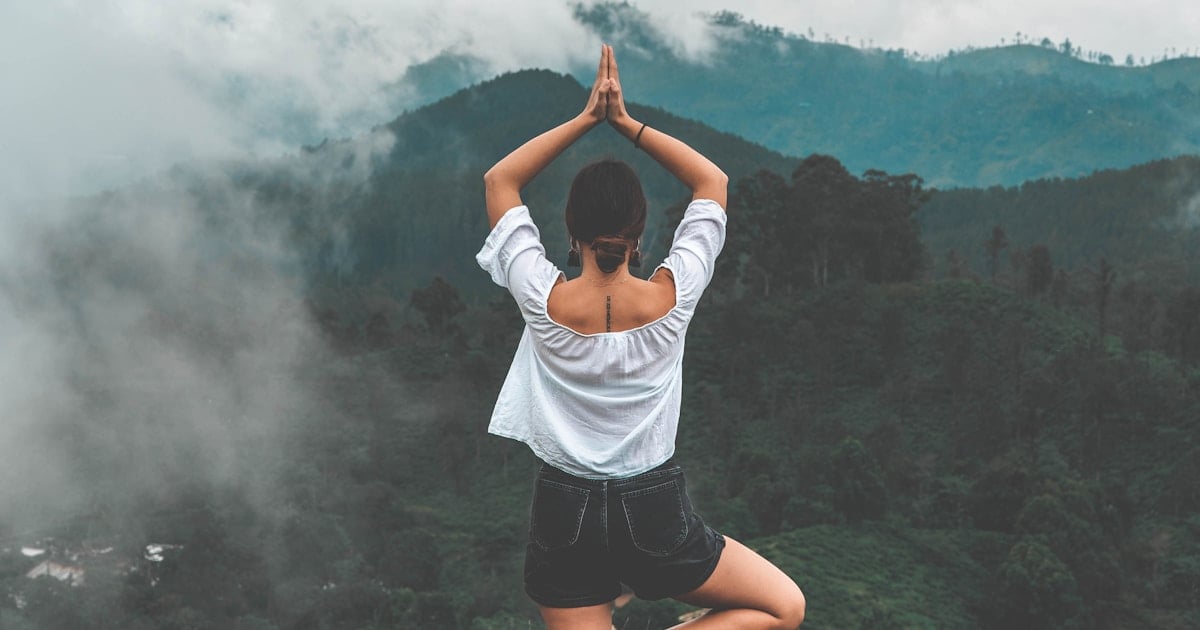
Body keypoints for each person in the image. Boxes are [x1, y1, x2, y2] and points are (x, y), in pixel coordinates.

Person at [477, 45, 806, 629]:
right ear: (640, 234)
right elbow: (712, 179)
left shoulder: (541, 297)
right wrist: (627, 124)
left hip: (562, 508)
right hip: (652, 508)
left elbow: (501, 179)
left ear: (570, 232)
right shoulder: (671, 298)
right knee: (782, 608)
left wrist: (585, 120)